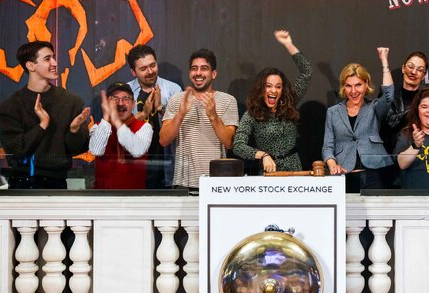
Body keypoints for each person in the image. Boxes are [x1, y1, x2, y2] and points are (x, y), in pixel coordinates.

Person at [0, 41, 90, 189]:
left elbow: (79, 148)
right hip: (21, 183)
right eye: (47, 59)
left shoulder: (71, 101)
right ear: (30, 66)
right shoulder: (11, 106)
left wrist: (74, 130)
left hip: (57, 182)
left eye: (53, 57)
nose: (54, 63)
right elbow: (16, 149)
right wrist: (42, 125)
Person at [232, 30, 313, 173]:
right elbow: (238, 145)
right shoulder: (252, 114)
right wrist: (263, 155)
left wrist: (288, 44)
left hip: (294, 169)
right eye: (268, 86)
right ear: (261, 89)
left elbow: (307, 72)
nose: (273, 91)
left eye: (278, 87)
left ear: (282, 90)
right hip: (269, 172)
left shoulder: (290, 102)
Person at [159, 49, 238, 189]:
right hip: (183, 183)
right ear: (190, 74)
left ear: (213, 74)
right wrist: (181, 114)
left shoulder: (227, 100)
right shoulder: (177, 100)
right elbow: (164, 140)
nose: (198, 73)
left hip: (216, 182)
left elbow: (229, 142)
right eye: (194, 69)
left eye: (204, 68)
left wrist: (213, 115)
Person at [321, 48, 395, 192]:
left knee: (377, 215)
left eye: (358, 85)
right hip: (343, 175)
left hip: (375, 173)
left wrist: (384, 62)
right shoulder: (333, 112)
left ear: (366, 84)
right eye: (348, 86)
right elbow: (327, 147)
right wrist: (332, 164)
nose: (353, 91)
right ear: (343, 87)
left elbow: (388, 95)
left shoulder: (374, 107)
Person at [127, 44, 181, 188]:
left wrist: (160, 108)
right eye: (143, 69)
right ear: (133, 72)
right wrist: (143, 113)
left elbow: (179, 127)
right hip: (134, 164)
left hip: (165, 162)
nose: (150, 71)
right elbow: (119, 127)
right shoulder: (126, 92)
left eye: (153, 65)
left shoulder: (173, 89)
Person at [89, 82, 153, 189]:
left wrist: (115, 120)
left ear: (133, 104)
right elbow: (96, 150)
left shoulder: (144, 127)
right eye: (114, 99)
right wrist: (106, 117)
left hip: (134, 197)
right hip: (103, 198)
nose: (120, 103)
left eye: (126, 99)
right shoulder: (98, 127)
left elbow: (137, 151)